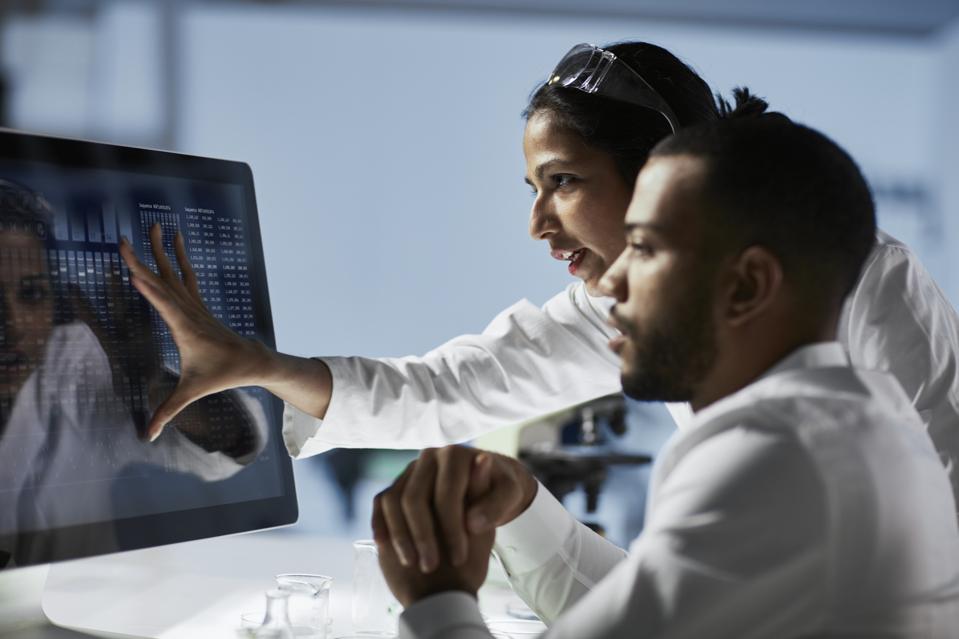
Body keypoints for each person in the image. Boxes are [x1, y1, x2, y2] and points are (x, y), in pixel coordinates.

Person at [119, 41, 959, 531]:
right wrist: (258, 366)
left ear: (662, 171)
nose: (538, 224)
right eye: (532, 190)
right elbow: (444, 388)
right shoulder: (621, 305)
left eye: (561, 182)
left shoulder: (859, 279)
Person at [371, 101, 959, 638]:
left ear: (748, 284)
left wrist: (436, 596)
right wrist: (524, 511)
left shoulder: (775, 456)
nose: (611, 283)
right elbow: (652, 614)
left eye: (645, 249)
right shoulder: (866, 425)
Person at [0, 180, 266, 568]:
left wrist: (153, 383)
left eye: (32, 294)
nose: (12, 324)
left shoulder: (74, 363)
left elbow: (233, 443)